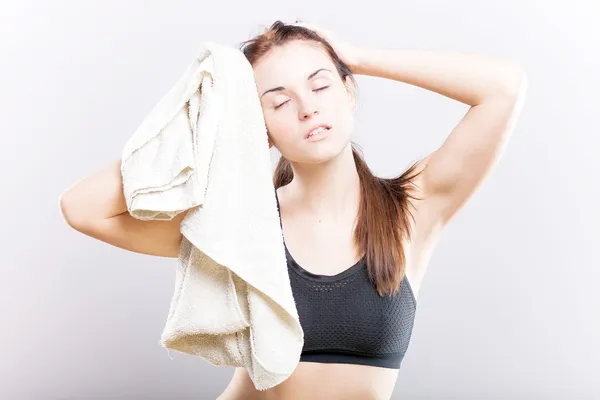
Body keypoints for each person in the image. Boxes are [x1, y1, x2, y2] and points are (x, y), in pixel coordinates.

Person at [59, 20, 527, 400]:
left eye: (321, 86)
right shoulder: (240, 225)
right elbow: (81, 208)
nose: (306, 108)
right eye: (279, 101)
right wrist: (204, 116)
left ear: (348, 91)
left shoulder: (411, 208)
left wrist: (358, 58)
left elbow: (504, 88)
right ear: (260, 129)